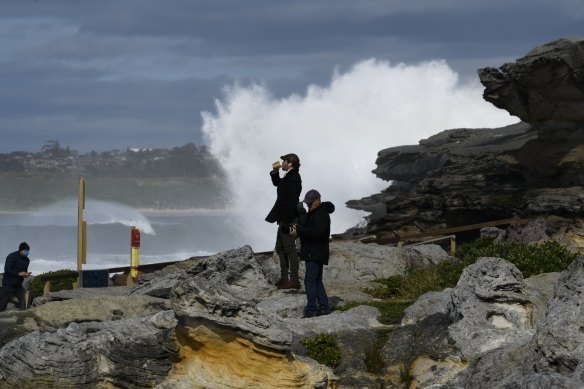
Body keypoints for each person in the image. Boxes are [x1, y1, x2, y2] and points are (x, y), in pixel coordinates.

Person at [291, 190, 334, 317]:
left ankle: (312, 310)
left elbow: (318, 232)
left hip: (315, 251)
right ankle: (324, 308)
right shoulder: (316, 213)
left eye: (310, 203)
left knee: (309, 281)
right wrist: (298, 229)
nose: (309, 205)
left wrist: (299, 230)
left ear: (317, 200)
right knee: (316, 281)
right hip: (315, 251)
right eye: (307, 203)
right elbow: (311, 229)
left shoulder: (321, 213)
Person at [266, 153, 302, 289]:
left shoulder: (294, 178)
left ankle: (294, 280)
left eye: (284, 162)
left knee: (289, 249)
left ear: (290, 163)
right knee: (280, 248)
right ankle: (284, 279)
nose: (282, 163)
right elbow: (278, 184)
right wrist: (275, 173)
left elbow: (293, 200)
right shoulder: (289, 176)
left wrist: (287, 220)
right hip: (285, 218)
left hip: (289, 218)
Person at [0, 242, 32, 312]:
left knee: (25, 303)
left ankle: (24, 318)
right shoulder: (11, 256)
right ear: (20, 250)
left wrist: (26, 274)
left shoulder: (27, 260)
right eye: (25, 251)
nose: (27, 253)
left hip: (19, 286)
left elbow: (24, 271)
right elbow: (7, 270)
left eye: (28, 251)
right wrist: (19, 274)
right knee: (1, 305)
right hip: (8, 285)